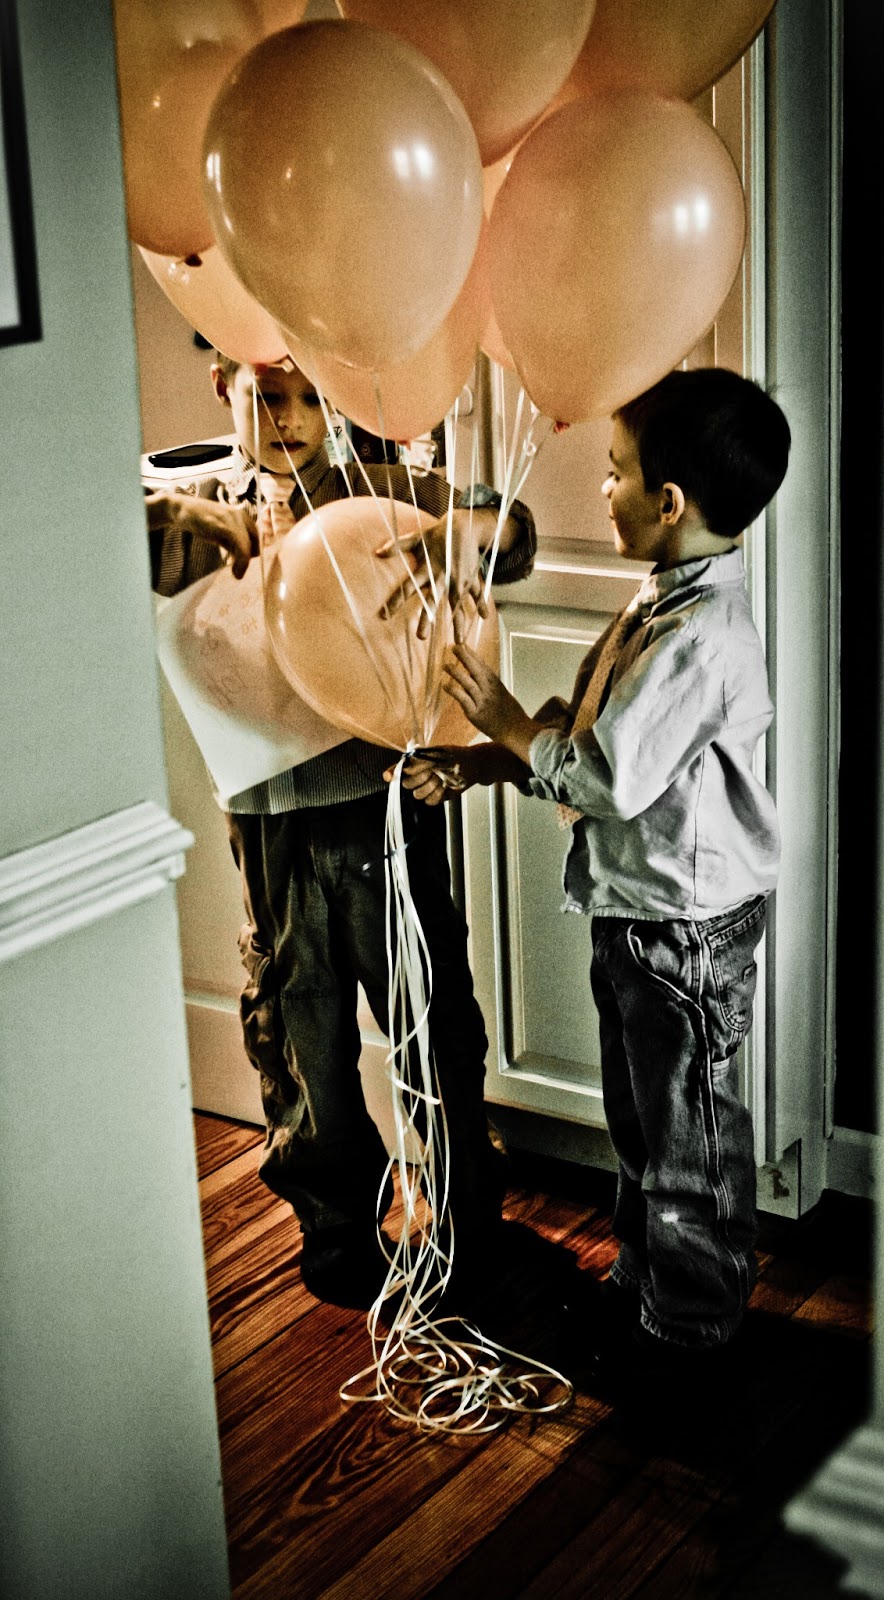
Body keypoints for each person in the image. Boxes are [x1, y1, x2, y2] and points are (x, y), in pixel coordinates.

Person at [398, 367, 791, 1381]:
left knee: (687, 1141)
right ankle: (644, 1286)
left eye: (616, 474)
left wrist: (498, 719)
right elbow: (582, 739)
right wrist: (487, 760)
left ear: (669, 502)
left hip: (683, 929)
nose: (602, 490)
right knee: (642, 1123)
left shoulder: (700, 636)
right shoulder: (660, 604)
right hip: (640, 916)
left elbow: (608, 778)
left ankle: (689, 1333)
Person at [147, 354, 538, 1309]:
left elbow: (516, 535)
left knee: (430, 1017)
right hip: (269, 825)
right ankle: (335, 1233)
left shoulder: (387, 486)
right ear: (223, 385)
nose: (290, 417)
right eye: (267, 395)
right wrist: (181, 517)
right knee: (299, 1032)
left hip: (384, 808)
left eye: (309, 398)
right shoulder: (197, 503)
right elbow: (76, 528)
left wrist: (466, 531)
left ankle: (467, 1217)